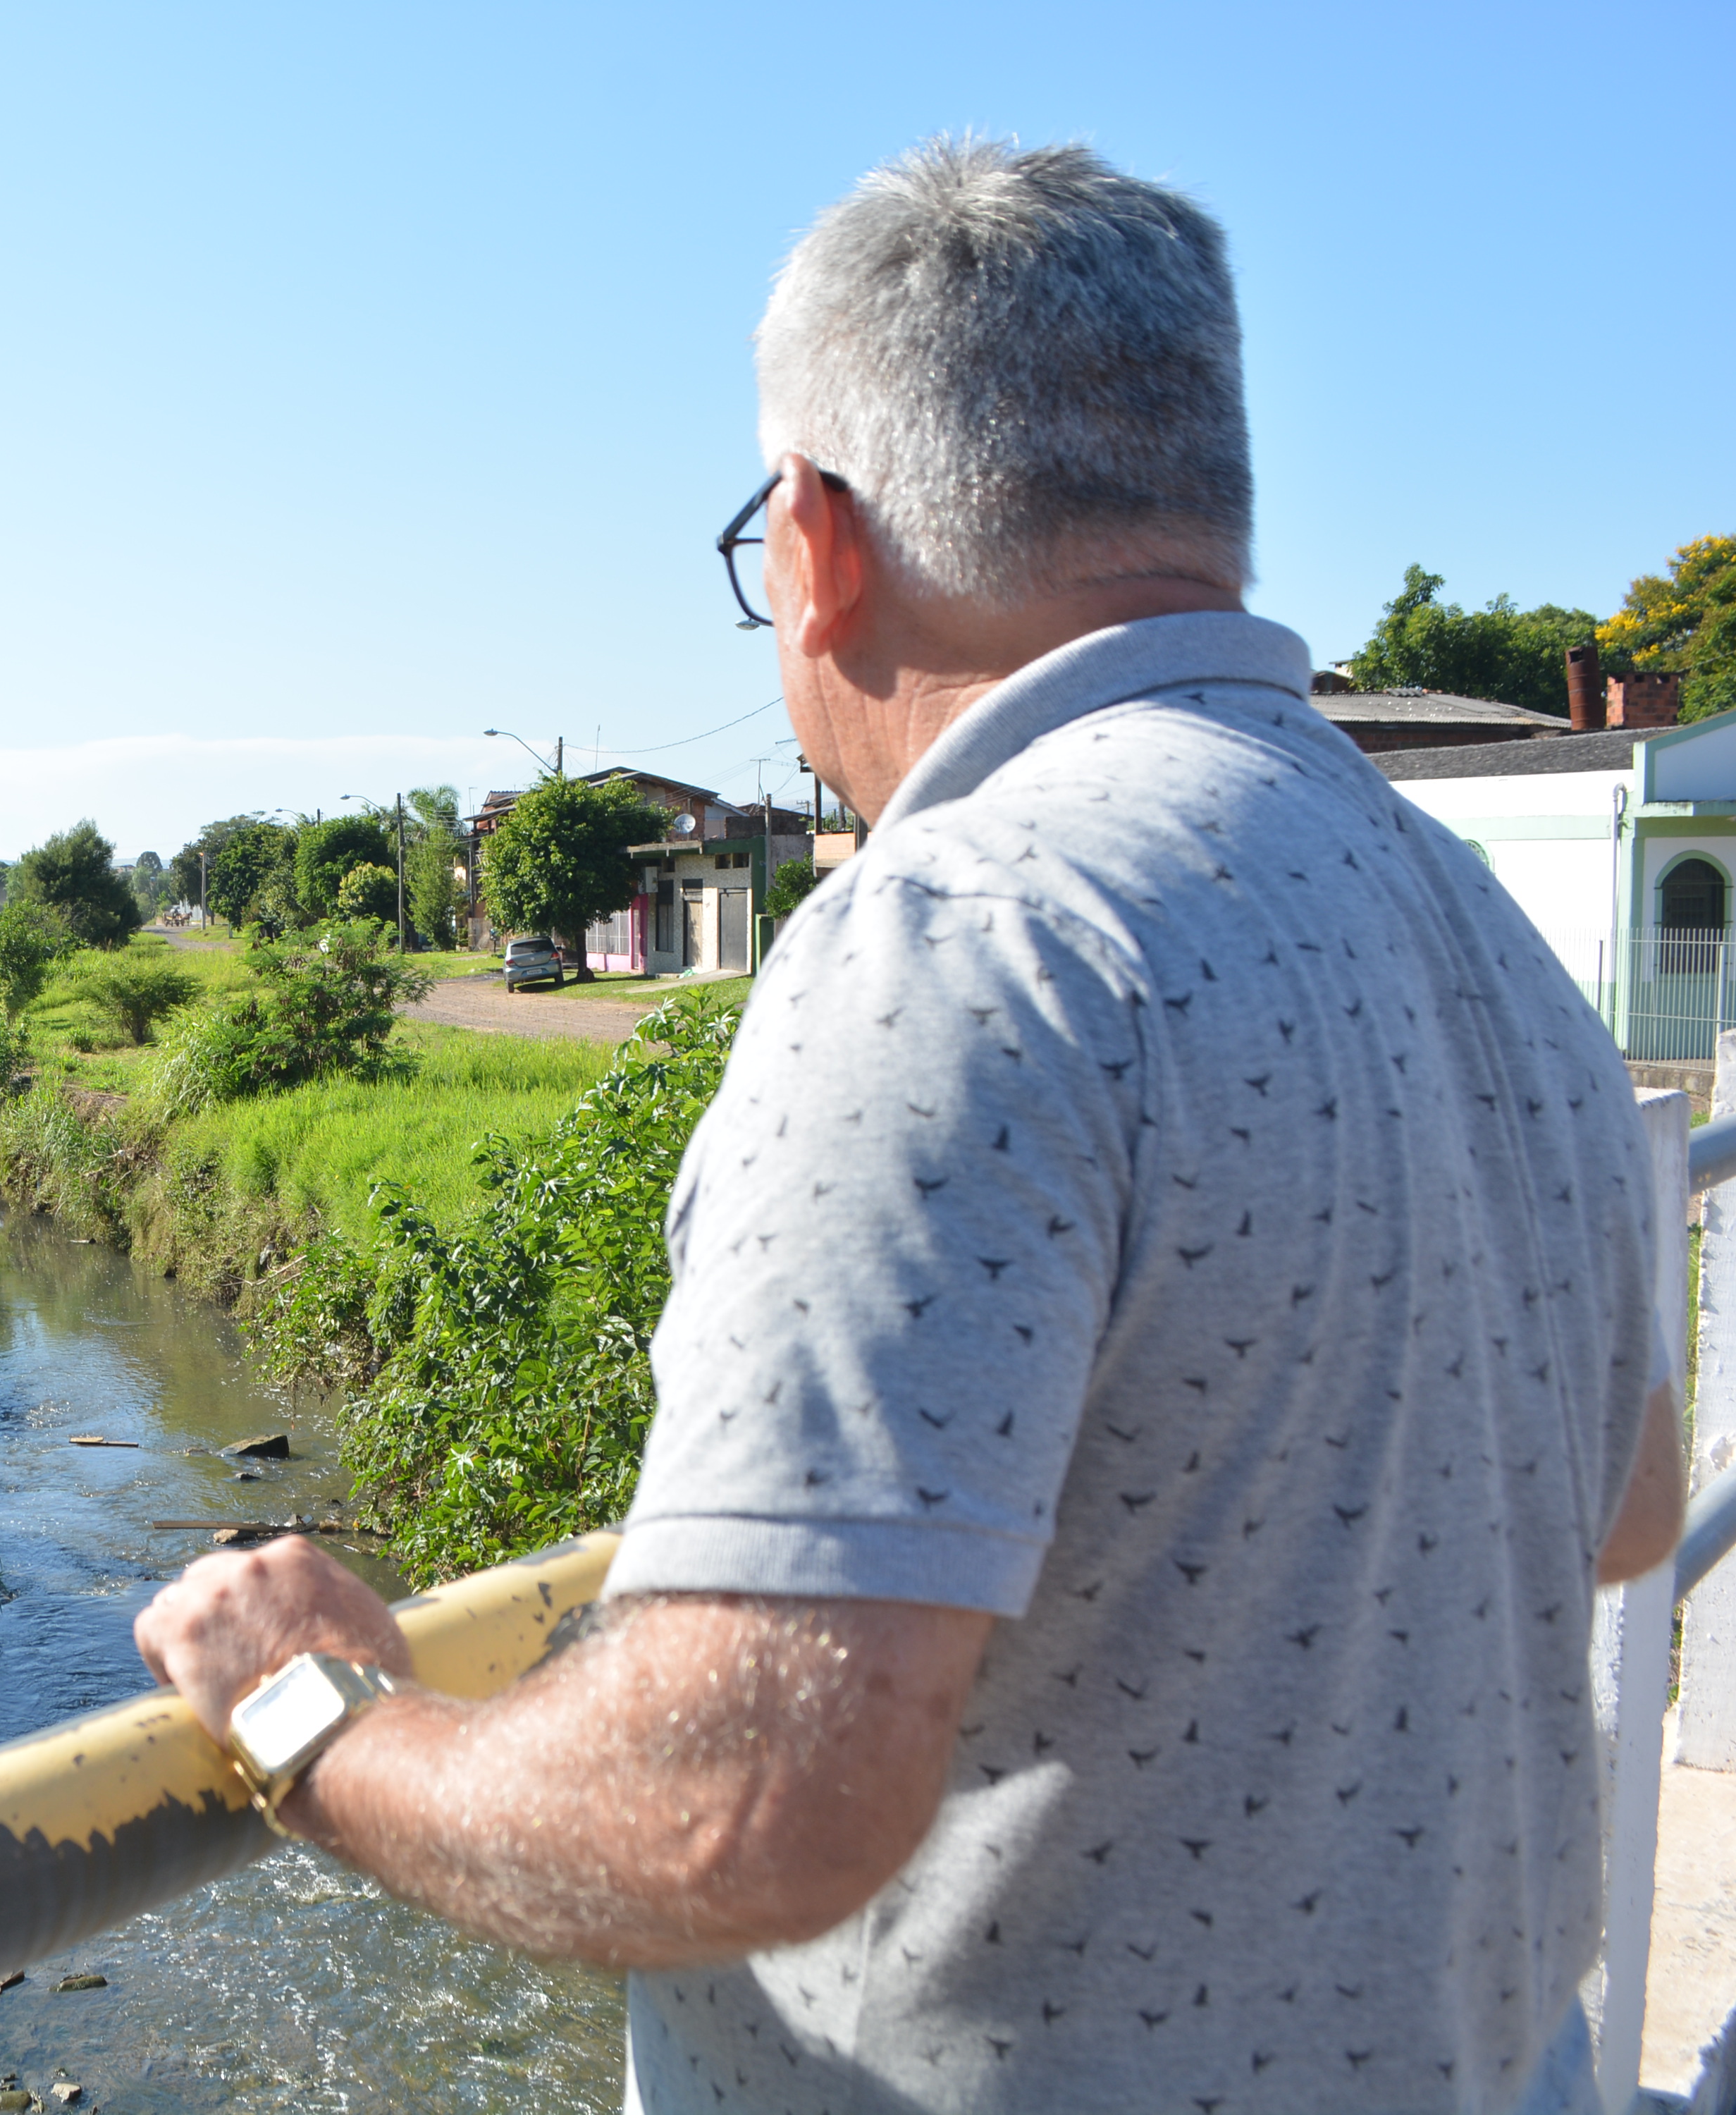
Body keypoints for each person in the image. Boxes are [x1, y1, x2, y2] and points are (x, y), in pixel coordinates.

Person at [136, 140, 1685, 2114]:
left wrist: (311, 1714)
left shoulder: (963, 936)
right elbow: (1631, 1504)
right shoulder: (1473, 918)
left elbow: (736, 1806)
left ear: (816, 538)